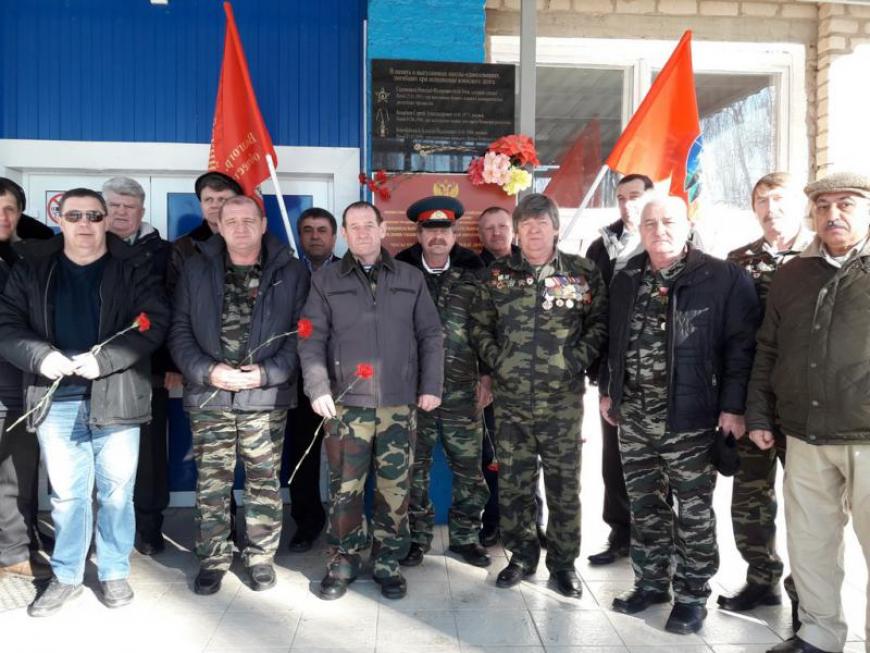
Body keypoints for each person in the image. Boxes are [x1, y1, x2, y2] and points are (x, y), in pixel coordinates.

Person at [0, 187, 169, 616]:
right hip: (56, 397)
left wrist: (104, 360)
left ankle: (113, 571)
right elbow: (7, 325)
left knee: (116, 494)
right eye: (74, 215)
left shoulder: (134, 265)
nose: (85, 224)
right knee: (67, 496)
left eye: (94, 216)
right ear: (59, 219)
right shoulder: (32, 266)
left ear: (106, 220)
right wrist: (41, 357)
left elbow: (153, 323)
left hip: (118, 394)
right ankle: (67, 575)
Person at [601, 195, 759, 634]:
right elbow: (613, 340)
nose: (660, 231)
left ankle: (692, 595)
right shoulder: (627, 277)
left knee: (693, 510)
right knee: (645, 504)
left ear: (688, 225)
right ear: (640, 230)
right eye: (650, 223)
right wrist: (608, 390)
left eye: (669, 222)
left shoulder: (723, 277)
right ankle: (651, 582)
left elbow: (741, 347)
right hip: (634, 416)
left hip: (691, 417)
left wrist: (733, 407)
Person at [746, 172, 870, 653]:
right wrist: (760, 414)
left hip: (865, 435)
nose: (832, 215)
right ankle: (818, 634)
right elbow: (769, 348)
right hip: (804, 434)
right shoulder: (793, 274)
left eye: (846, 204)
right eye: (822, 206)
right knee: (811, 542)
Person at [299, 200, 443, 601]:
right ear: (344, 234)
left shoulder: (410, 278)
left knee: (395, 489)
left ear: (383, 230)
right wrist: (317, 387)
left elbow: (431, 334)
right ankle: (343, 559)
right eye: (353, 226)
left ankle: (387, 561)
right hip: (346, 406)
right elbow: (310, 335)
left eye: (368, 225)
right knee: (345, 488)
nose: (361, 232)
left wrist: (431, 385)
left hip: (399, 403)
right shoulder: (325, 280)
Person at [169, 195, 308, 595]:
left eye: (249, 220)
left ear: (263, 225)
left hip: (264, 395)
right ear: (219, 226)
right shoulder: (196, 268)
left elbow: (303, 334)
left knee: (264, 479)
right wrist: (207, 370)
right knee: (213, 480)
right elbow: (179, 330)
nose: (241, 228)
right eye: (231, 221)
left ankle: (260, 557)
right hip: (210, 394)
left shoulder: (291, 271)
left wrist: (266, 373)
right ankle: (213, 558)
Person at [471, 193, 607, 598]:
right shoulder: (497, 274)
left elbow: (600, 324)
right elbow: (479, 325)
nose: (533, 233)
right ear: (517, 232)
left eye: (541, 225)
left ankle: (563, 565)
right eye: (526, 226)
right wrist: (498, 362)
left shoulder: (582, 272)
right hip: (511, 401)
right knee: (515, 483)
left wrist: (574, 360)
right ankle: (522, 557)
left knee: (564, 486)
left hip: (561, 401)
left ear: (555, 229)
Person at [718, 172, 814, 618]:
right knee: (750, 498)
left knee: (809, 506)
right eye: (761, 200)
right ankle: (762, 579)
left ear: (799, 204)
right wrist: (731, 404)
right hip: (752, 399)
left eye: (778, 198)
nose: (770, 208)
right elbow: (729, 338)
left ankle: (807, 595)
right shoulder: (739, 261)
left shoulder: (819, 256)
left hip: (805, 402)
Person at [396, 196, 491, 569]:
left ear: (455, 235)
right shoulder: (400, 276)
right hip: (412, 392)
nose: (438, 237)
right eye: (430, 230)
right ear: (419, 235)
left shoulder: (473, 276)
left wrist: (487, 376)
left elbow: (486, 329)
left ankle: (466, 538)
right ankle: (416, 538)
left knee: (468, 469)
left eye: (445, 230)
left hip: (463, 390)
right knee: (413, 469)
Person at [103, 176, 175, 556]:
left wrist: (171, 365)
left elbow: (176, 308)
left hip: (150, 372)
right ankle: (101, 530)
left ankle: (148, 528)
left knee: (149, 457)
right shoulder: (86, 245)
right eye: (113, 205)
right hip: (93, 371)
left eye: (128, 207)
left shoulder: (164, 253)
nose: (120, 213)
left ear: (141, 211)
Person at [584, 173, 653, 566]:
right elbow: (590, 307)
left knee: (659, 461)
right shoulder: (601, 247)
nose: (628, 204)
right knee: (614, 458)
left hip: (662, 374)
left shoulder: (677, 239)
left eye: (636, 196)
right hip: (614, 371)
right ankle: (621, 533)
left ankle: (660, 541)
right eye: (622, 197)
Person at [0, 178, 52, 580]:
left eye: (9, 209)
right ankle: (13, 553)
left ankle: (25, 536)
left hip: (24, 381)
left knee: (22, 468)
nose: (3, 217)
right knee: (8, 474)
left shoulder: (24, 255)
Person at [285, 207, 340, 553]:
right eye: (308, 230)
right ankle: (307, 523)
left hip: (344, 380)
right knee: (301, 457)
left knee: (346, 457)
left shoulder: (350, 271)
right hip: (297, 380)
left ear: (334, 236)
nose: (315, 236)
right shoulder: (288, 273)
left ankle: (347, 523)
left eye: (322, 230)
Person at [475, 205, 516, 547]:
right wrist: (484, 375)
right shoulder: (473, 270)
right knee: (491, 455)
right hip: (490, 378)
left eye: (502, 226)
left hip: (529, 380)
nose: (496, 233)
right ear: (480, 235)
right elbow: (475, 329)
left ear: (513, 228)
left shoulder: (533, 264)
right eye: (488, 228)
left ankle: (531, 522)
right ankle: (492, 522)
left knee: (529, 455)